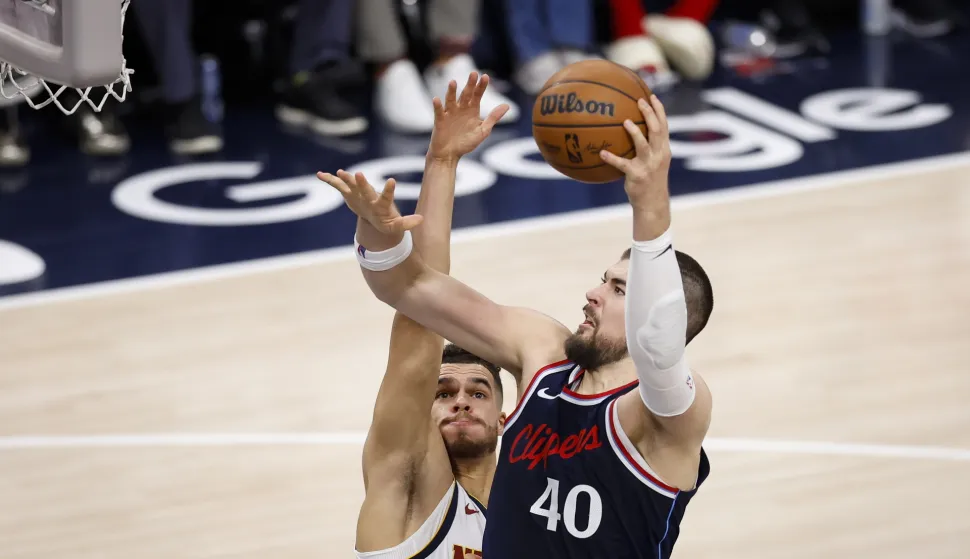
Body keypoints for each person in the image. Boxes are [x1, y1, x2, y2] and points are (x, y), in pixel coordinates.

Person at [321, 92, 714, 557]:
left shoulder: (667, 416)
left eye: (620, 290)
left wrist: (650, 211)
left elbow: (659, 348)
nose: (593, 294)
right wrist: (377, 233)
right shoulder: (543, 351)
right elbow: (409, 291)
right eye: (602, 281)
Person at [352, 73, 510, 559]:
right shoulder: (401, 488)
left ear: (504, 419)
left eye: (477, 391)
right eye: (443, 392)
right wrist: (442, 162)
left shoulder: (533, 516)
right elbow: (422, 312)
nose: (461, 401)